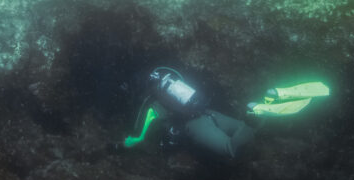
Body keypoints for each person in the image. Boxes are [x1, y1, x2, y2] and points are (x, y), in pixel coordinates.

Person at [121, 66, 330, 162]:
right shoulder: (170, 78)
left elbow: (142, 131)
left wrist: (132, 140)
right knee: (240, 128)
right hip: (206, 111)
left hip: (193, 126)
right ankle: (269, 99)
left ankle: (255, 116)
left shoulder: (152, 103)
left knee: (231, 148)